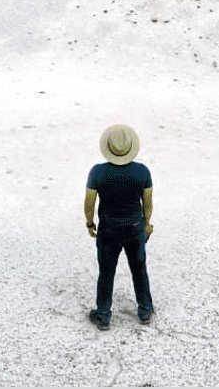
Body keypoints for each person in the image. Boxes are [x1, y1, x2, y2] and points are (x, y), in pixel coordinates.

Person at [84, 123, 154, 329]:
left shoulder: (97, 172)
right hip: (134, 227)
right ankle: (145, 310)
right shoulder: (142, 171)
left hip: (108, 229)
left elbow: (89, 203)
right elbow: (147, 203)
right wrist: (147, 224)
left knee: (106, 272)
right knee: (139, 270)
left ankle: (103, 315)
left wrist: (90, 223)